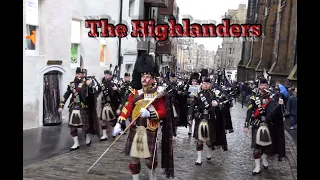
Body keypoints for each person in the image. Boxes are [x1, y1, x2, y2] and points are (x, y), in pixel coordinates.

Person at [113, 54, 174, 180]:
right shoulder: (135, 92)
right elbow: (127, 107)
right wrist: (120, 122)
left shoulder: (158, 93)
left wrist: (150, 114)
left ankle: (152, 176)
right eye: (142, 76)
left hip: (150, 128)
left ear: (152, 78)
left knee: (149, 159)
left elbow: (163, 112)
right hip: (136, 128)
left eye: (147, 77)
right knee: (134, 157)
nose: (144, 79)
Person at [243, 77, 285, 175]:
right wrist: (246, 125)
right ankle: (257, 167)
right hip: (257, 125)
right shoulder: (254, 98)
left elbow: (278, 113)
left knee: (267, 147)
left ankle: (264, 159)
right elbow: (249, 112)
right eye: (262, 85)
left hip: (268, 125)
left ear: (268, 86)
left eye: (265, 85)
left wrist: (281, 105)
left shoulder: (272, 97)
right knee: (256, 147)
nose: (264, 87)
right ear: (259, 86)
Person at [58, 67, 99, 150]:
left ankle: (87, 137)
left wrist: (90, 86)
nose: (82, 75)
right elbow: (66, 95)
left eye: (83, 74)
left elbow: (92, 94)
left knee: (85, 125)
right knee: (73, 126)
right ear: (76, 74)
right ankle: (76, 143)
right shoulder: (72, 84)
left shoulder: (87, 83)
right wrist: (61, 106)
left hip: (83, 107)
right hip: (74, 107)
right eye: (80, 74)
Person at [188, 77, 218, 165]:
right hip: (200, 118)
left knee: (209, 141)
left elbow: (219, 102)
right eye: (204, 83)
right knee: (199, 140)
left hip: (210, 119)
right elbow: (192, 106)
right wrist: (190, 117)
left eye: (207, 84)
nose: (205, 85)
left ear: (211, 85)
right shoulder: (198, 94)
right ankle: (199, 158)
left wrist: (217, 103)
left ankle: (209, 150)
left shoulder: (213, 94)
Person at [98, 70, 120, 141]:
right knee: (102, 120)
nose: (106, 76)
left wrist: (116, 90)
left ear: (110, 76)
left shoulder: (113, 83)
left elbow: (118, 94)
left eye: (108, 74)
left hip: (111, 104)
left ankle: (114, 131)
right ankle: (104, 135)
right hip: (104, 103)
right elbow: (98, 92)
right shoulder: (102, 84)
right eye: (105, 74)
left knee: (112, 120)